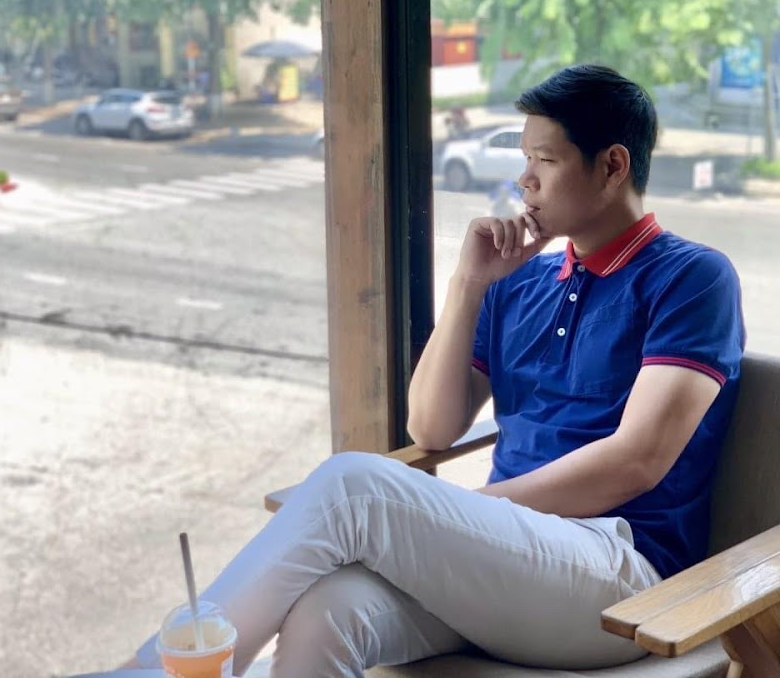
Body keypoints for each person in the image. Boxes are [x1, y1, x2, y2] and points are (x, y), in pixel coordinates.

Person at [121, 64, 744, 676]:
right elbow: (433, 427)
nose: (524, 179)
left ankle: (152, 672)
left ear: (612, 166)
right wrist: (469, 284)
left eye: (545, 160)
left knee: (353, 487)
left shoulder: (691, 278)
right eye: (524, 158)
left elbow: (636, 461)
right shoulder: (518, 283)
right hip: (507, 565)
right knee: (328, 609)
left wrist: (462, 513)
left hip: (620, 575)